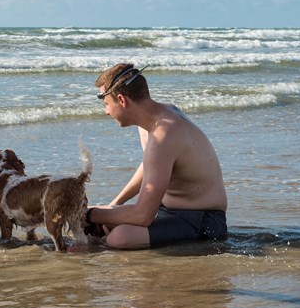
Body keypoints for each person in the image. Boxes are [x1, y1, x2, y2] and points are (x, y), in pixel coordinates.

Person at [85, 63, 228, 249]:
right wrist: (114, 204)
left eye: (106, 104)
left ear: (121, 100)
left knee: (119, 237)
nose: (106, 111)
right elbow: (151, 166)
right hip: (169, 211)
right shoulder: (154, 119)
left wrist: (90, 215)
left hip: (203, 220)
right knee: (103, 216)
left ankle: (95, 249)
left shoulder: (164, 135)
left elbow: (142, 216)